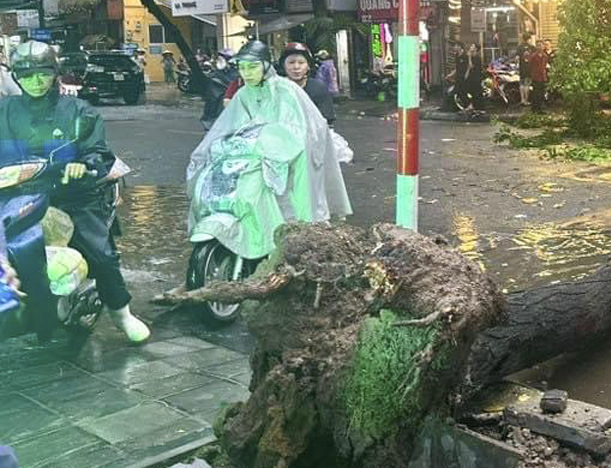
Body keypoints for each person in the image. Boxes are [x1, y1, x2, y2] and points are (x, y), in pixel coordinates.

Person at [0, 41, 150, 343]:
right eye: (26, 75)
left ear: (54, 73)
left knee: (101, 254)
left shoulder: (79, 110)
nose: (36, 82)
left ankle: (121, 314)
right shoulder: (4, 110)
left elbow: (98, 151)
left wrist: (83, 164)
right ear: (16, 77)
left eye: (43, 74)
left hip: (71, 196)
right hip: (13, 196)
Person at [187, 41, 352, 259]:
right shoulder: (243, 94)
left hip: (294, 152)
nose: (247, 73)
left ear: (265, 66)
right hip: (257, 153)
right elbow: (227, 126)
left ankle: (298, 238)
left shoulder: (286, 90)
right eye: (242, 67)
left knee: (296, 205)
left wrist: (268, 141)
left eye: (252, 67)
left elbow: (295, 128)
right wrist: (212, 148)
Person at [278, 43, 335, 125]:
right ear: (283, 65)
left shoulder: (318, 88)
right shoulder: (277, 89)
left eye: (301, 63)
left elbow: (327, 120)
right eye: (291, 62)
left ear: (308, 66)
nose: (296, 67)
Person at [530, 39, 551, 113]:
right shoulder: (533, 56)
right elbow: (530, 66)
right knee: (535, 93)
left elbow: (545, 66)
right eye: (538, 45)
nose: (539, 47)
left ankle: (540, 109)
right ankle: (534, 109)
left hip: (543, 77)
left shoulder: (545, 56)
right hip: (536, 77)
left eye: (541, 45)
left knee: (542, 93)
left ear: (543, 46)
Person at [464, 43, 485, 112]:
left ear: (476, 49)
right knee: (472, 92)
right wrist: (466, 74)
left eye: (472, 46)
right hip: (472, 77)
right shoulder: (472, 57)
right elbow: (469, 67)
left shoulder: (477, 57)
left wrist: (469, 57)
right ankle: (472, 106)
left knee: (477, 93)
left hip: (476, 77)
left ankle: (479, 108)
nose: (470, 47)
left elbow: (471, 66)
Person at [517, 32, 535, 106]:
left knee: (521, 84)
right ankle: (526, 100)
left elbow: (517, 58)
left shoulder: (519, 47)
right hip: (529, 68)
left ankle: (522, 99)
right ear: (529, 39)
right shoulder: (532, 47)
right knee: (527, 84)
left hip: (522, 68)